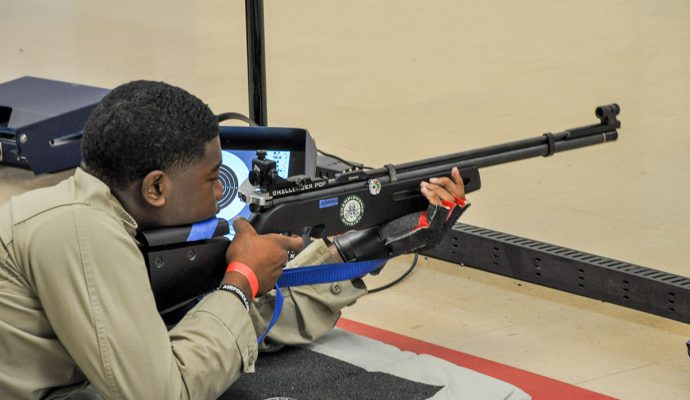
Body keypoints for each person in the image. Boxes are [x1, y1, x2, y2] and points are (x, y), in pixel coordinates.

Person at [0, 80, 467, 399]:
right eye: (212, 180)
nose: (225, 193)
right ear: (156, 188)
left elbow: (220, 334)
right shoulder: (80, 231)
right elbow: (163, 392)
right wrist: (240, 281)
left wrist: (366, 249)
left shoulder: (109, 217)